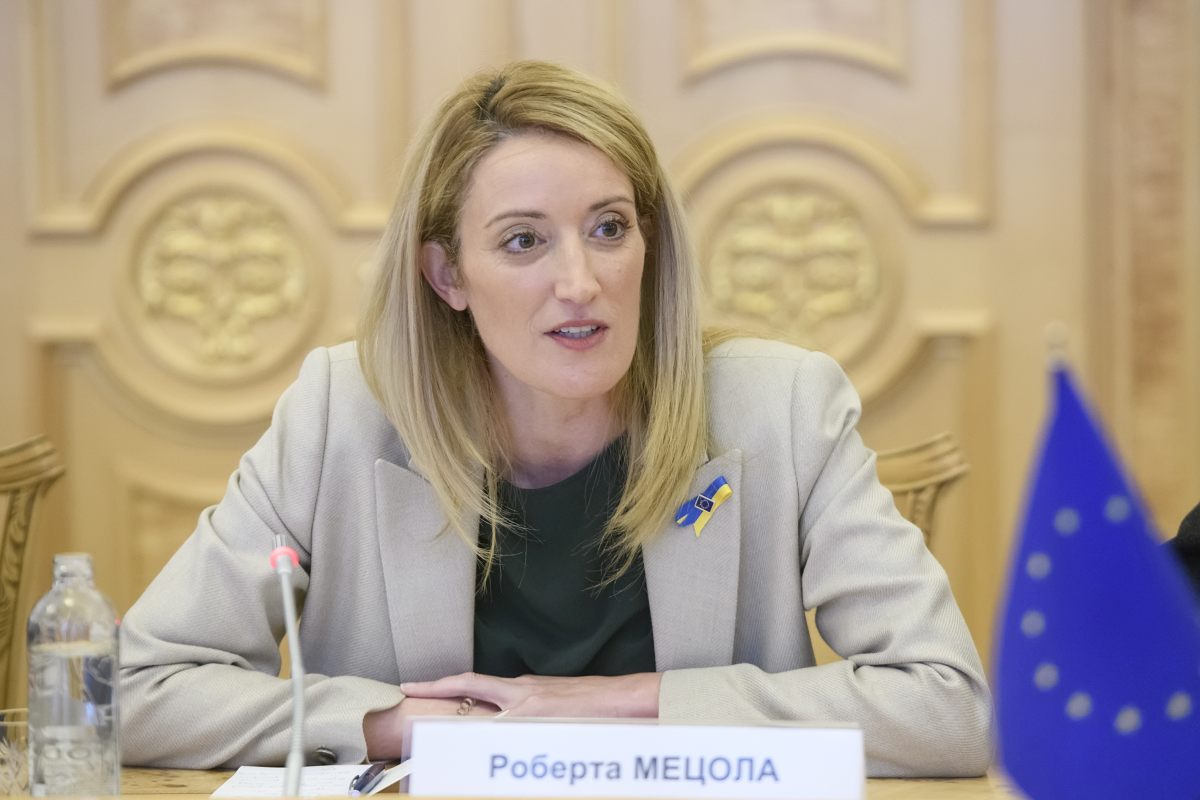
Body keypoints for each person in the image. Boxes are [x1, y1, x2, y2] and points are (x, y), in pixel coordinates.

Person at [119, 60, 993, 777]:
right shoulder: (339, 414)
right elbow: (132, 690)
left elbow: (947, 707)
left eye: (609, 228)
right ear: (447, 275)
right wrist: (397, 724)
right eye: (523, 240)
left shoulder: (782, 407)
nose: (580, 282)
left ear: (649, 243)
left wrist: (631, 704)